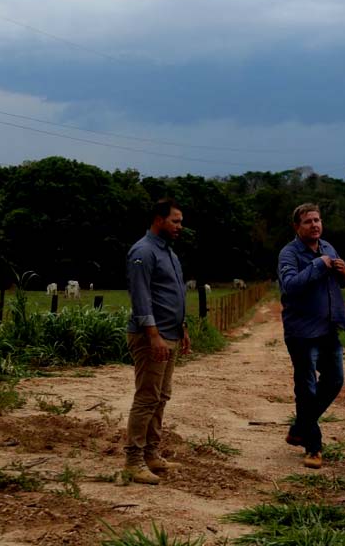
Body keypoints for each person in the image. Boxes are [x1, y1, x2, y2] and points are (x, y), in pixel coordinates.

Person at [277, 203, 345, 468]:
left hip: (329, 328)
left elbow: (340, 282)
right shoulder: (289, 254)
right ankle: (313, 447)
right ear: (297, 226)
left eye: (317, 220)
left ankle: (299, 427)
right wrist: (318, 266)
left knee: (335, 380)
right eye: (308, 221)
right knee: (306, 388)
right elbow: (290, 286)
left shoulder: (328, 247)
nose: (315, 225)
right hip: (302, 332)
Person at [123, 198, 191, 484]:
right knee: (147, 397)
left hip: (170, 335)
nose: (179, 227)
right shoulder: (143, 252)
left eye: (180, 222)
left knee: (161, 397)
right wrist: (154, 336)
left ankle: (151, 453)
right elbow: (141, 298)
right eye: (175, 221)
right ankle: (133, 461)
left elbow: (173, 294)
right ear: (158, 219)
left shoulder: (169, 254)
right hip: (151, 337)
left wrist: (182, 328)